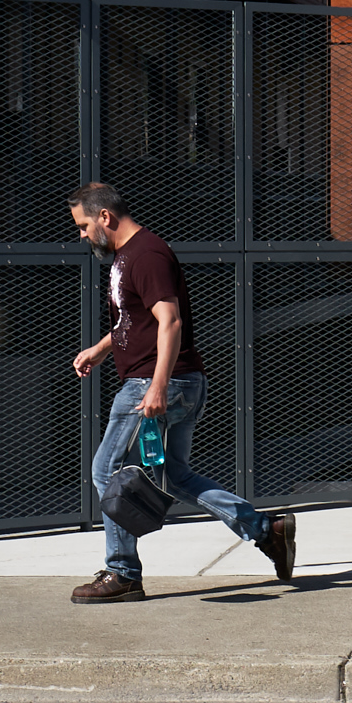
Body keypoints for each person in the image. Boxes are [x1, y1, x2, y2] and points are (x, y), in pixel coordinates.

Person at [67, 181, 296, 602]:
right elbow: (135, 322)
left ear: (105, 217)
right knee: (173, 474)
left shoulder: (147, 254)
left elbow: (170, 322)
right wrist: (101, 350)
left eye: (83, 225)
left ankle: (123, 574)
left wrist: (156, 386)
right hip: (174, 381)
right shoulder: (125, 257)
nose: (82, 235)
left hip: (155, 384)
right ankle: (266, 530)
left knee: (107, 471)